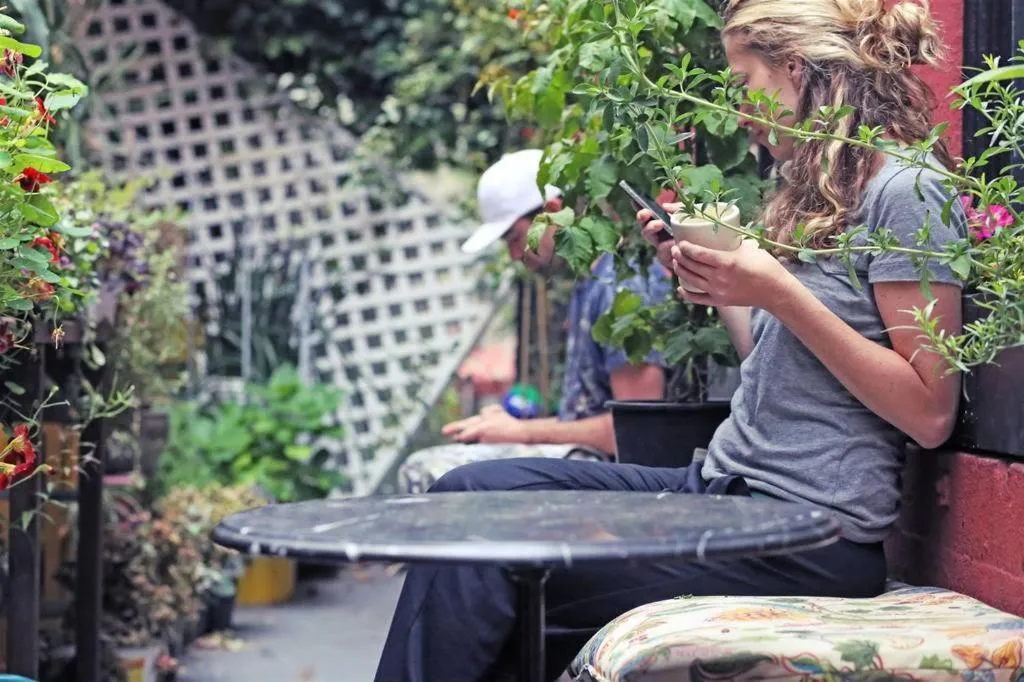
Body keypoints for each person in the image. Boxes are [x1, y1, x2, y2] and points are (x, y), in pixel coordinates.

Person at [375, 0, 966, 679]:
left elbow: (928, 412)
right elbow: (781, 366)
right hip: (723, 488)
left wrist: (777, 289)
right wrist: (721, 286)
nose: (740, 113)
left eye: (745, 86)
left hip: (807, 534)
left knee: (488, 552)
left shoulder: (910, 191)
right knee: (471, 497)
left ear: (797, 71)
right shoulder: (818, 194)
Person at [397, 149, 674, 494]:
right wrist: (509, 427)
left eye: (516, 238)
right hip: (582, 462)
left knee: (427, 471)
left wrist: (523, 433)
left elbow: (638, 433)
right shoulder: (592, 282)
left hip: (613, 477)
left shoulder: (623, 285)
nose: (514, 255)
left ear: (553, 212)